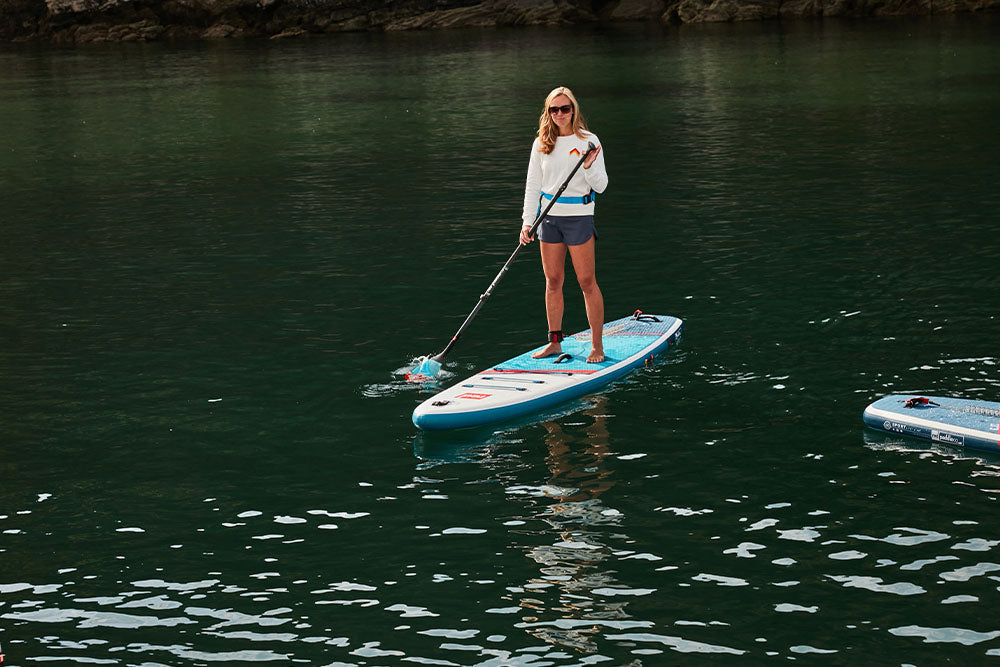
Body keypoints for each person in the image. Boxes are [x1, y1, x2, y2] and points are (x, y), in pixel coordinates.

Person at [520, 86, 608, 363]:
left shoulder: (589, 141)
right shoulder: (541, 143)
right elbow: (532, 186)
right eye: (554, 109)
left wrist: (589, 166)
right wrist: (527, 222)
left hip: (579, 218)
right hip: (548, 219)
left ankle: (596, 346)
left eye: (565, 108)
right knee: (553, 281)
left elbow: (601, 186)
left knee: (586, 282)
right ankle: (554, 342)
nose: (560, 114)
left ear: (574, 110)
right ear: (548, 112)